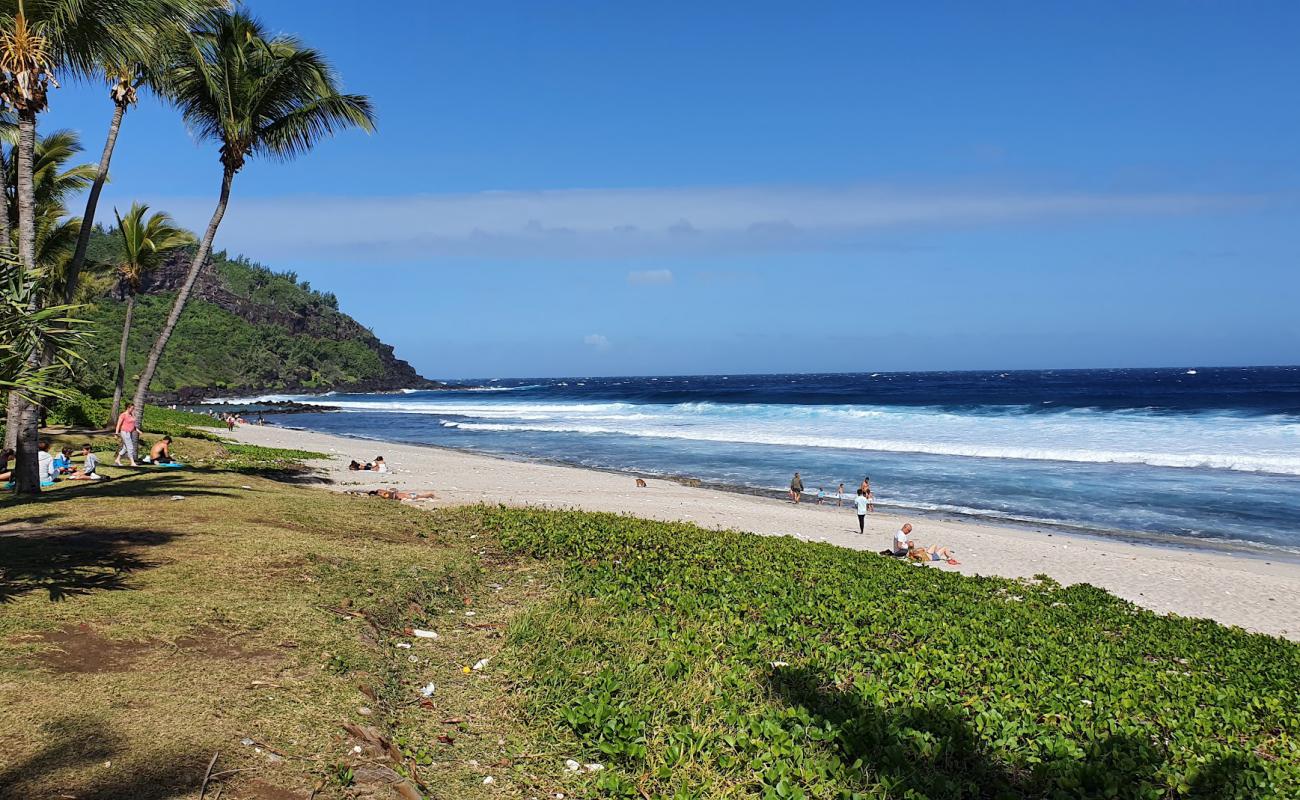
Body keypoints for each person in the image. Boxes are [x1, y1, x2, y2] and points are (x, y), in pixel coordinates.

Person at [115, 402, 139, 466]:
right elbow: (118, 424)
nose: (133, 410)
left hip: (129, 433)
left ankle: (117, 459)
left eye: (133, 408)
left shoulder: (131, 415)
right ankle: (132, 462)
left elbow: (132, 425)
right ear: (128, 408)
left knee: (125, 448)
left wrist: (138, 430)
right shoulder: (123, 415)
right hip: (124, 432)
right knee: (130, 447)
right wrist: (116, 433)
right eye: (132, 408)